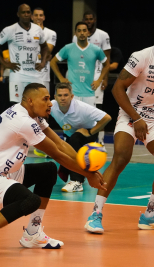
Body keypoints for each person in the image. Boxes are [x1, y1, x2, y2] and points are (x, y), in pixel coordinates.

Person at [0, 83, 107, 261]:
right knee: (30, 200)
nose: (50, 103)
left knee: (48, 170)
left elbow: (60, 144)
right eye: (45, 99)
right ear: (30, 101)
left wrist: (87, 168)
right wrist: (88, 174)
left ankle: (32, 233)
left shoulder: (32, 115)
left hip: (7, 173)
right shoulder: (23, 121)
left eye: (49, 99)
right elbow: (57, 153)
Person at [84, 18, 154, 234]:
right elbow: (117, 89)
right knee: (121, 158)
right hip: (131, 116)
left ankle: (150, 216)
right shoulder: (140, 57)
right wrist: (137, 119)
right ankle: (95, 213)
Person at [51, 83, 111, 192]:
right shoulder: (51, 106)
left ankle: (77, 182)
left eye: (66, 95)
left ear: (72, 96)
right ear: (55, 97)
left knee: (75, 139)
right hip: (69, 134)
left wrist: (90, 132)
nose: (62, 98)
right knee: (64, 150)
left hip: (87, 132)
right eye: (59, 95)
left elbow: (106, 117)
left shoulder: (82, 108)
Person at [0, 4, 50, 104]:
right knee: (18, 106)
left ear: (30, 14)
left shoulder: (37, 29)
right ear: (18, 14)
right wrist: (5, 64)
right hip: (18, 74)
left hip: (35, 74)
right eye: (23, 12)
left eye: (28, 12)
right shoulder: (10, 29)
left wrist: (43, 62)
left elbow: (44, 47)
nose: (26, 14)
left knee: (38, 104)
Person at [72, 11, 111, 145]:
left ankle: (100, 141)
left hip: (96, 77)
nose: (88, 21)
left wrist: (104, 78)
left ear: (94, 20)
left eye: (91, 19)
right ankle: (77, 140)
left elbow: (107, 58)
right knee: (77, 110)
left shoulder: (103, 35)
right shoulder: (75, 38)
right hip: (80, 79)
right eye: (86, 19)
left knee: (97, 110)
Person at [50, 22, 110, 107]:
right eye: (79, 31)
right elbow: (53, 62)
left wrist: (99, 80)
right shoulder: (68, 48)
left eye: (84, 30)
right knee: (72, 119)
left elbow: (107, 65)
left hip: (89, 93)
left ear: (88, 33)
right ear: (75, 33)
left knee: (89, 120)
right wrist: (61, 78)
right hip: (72, 93)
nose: (82, 33)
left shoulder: (96, 50)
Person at [31, 7, 57, 159]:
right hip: (27, 74)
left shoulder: (50, 33)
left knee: (44, 109)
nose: (38, 17)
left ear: (44, 17)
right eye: (36, 15)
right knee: (28, 108)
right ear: (32, 17)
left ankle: (43, 144)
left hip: (43, 75)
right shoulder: (25, 32)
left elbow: (47, 51)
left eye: (41, 15)